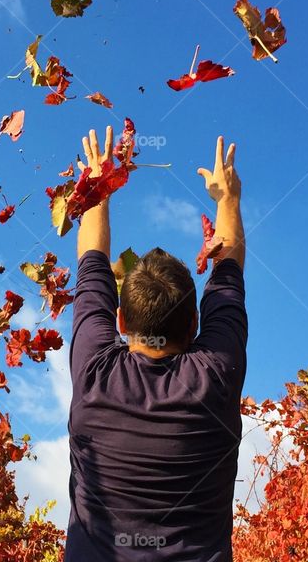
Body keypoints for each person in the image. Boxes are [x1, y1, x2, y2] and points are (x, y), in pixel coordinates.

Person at [65, 127, 247, 561]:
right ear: (196, 324)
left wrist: (100, 184)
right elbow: (228, 276)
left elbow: (92, 264)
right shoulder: (215, 376)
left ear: (121, 320)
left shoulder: (94, 373)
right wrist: (227, 199)